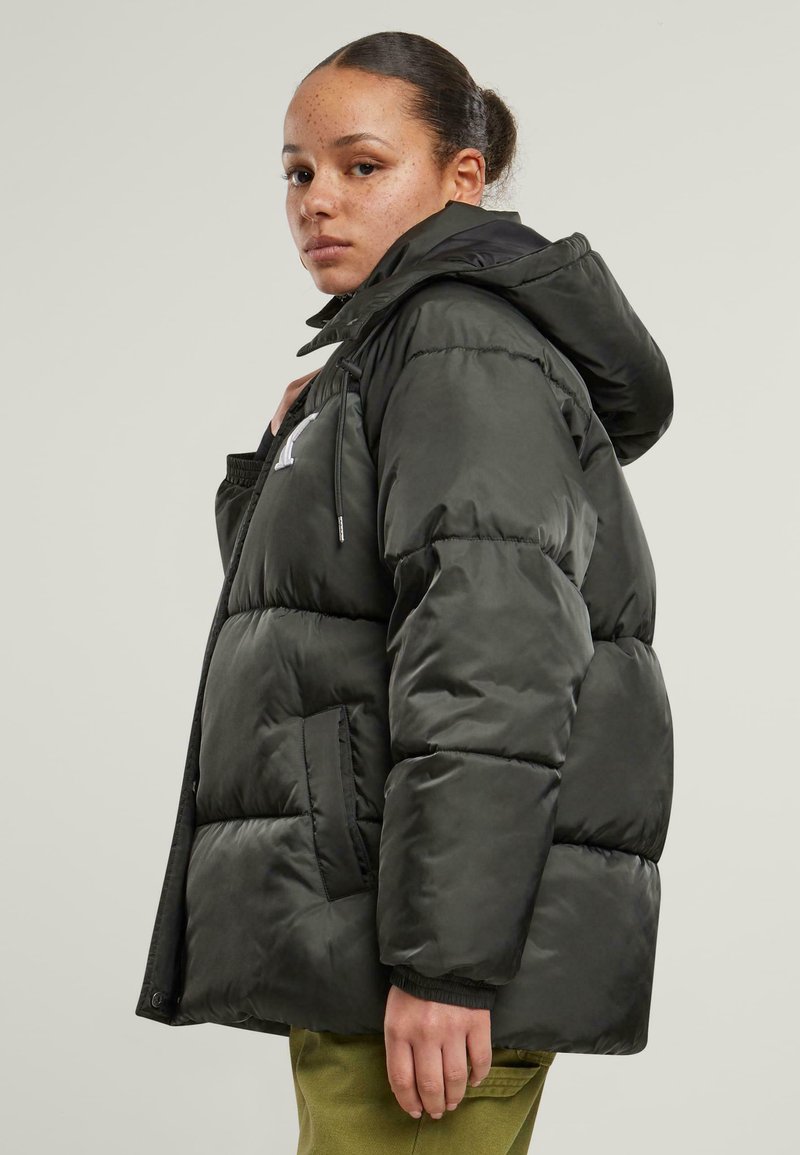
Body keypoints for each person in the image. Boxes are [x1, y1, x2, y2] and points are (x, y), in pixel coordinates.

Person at [135, 30, 675, 1155]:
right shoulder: (391, 353)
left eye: (361, 165)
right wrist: (282, 453)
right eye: (297, 171)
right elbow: (311, 621)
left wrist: (445, 965)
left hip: (417, 962)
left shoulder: (455, 342)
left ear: (460, 178)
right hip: (372, 939)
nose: (317, 199)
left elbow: (491, 664)